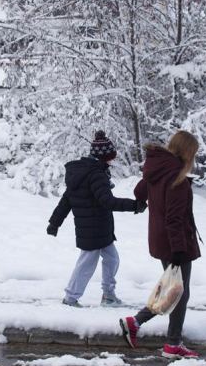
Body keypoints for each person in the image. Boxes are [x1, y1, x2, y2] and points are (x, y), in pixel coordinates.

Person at [119, 130, 202, 359]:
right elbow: (174, 220)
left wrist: (151, 184)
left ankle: (135, 322)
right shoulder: (178, 179)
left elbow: (138, 193)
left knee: (172, 288)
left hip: (160, 240)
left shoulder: (158, 170)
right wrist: (178, 250)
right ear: (187, 152)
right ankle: (172, 343)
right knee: (178, 292)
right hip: (175, 244)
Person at [47, 130, 148, 307]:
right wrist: (134, 205)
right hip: (92, 230)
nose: (113, 160)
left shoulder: (87, 173)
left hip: (100, 228)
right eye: (111, 157)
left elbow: (66, 200)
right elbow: (108, 202)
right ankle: (70, 298)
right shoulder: (95, 175)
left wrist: (54, 223)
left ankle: (108, 295)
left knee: (112, 259)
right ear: (105, 157)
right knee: (87, 264)